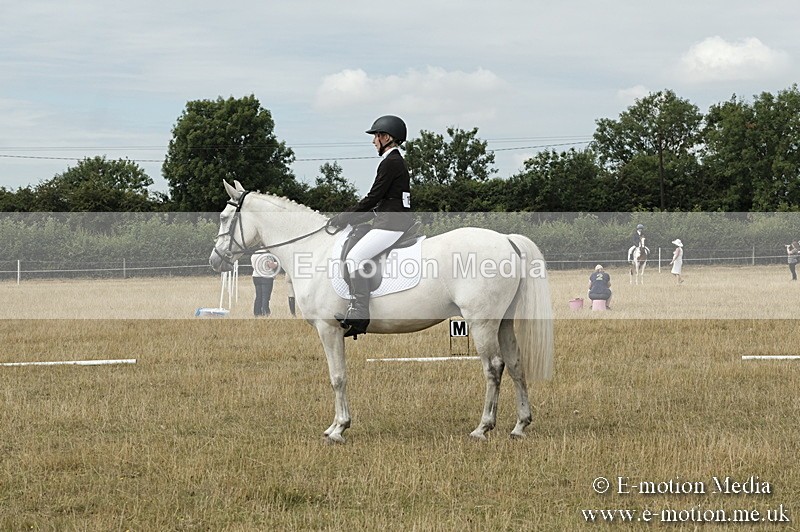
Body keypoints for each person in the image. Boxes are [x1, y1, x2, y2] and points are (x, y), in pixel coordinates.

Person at [328, 115, 414, 338]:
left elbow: (373, 197)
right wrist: (353, 218)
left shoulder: (391, 162)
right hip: (390, 220)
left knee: (355, 258)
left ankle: (359, 313)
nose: (373, 141)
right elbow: (378, 202)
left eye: (376, 136)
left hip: (391, 224)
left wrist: (345, 217)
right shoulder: (394, 161)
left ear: (386, 137)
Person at [251, 252, 279, 317]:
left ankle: (257, 312)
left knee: (258, 296)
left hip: (256, 276)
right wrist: (277, 263)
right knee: (265, 296)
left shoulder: (254, 255)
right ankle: (265, 312)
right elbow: (271, 265)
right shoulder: (267, 255)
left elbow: (253, 265)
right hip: (266, 276)